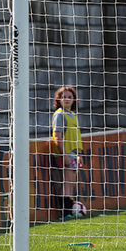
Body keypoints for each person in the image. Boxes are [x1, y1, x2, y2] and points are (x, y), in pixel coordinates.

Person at [50, 86, 84, 218]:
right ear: (58, 99)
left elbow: (75, 137)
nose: (67, 99)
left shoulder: (73, 115)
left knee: (71, 183)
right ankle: (66, 213)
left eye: (70, 97)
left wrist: (78, 154)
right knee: (67, 183)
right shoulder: (59, 114)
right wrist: (64, 155)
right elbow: (58, 136)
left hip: (73, 153)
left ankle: (69, 211)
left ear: (74, 99)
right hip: (65, 154)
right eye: (64, 97)